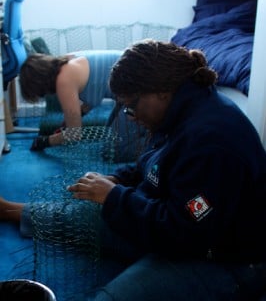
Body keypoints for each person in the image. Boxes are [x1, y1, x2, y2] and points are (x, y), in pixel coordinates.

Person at [2, 39, 266, 300]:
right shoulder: (180, 111)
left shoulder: (212, 144)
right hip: (168, 225)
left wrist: (114, 196)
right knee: (84, 217)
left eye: (131, 105)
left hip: (222, 259)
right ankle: (8, 209)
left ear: (161, 91)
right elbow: (150, 165)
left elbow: (183, 235)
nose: (130, 115)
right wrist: (118, 178)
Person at [19, 50, 122, 151]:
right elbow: (95, 88)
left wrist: (45, 141)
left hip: (133, 84)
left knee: (115, 151)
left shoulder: (63, 81)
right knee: (111, 133)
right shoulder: (66, 61)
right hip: (129, 64)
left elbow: (75, 134)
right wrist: (79, 114)